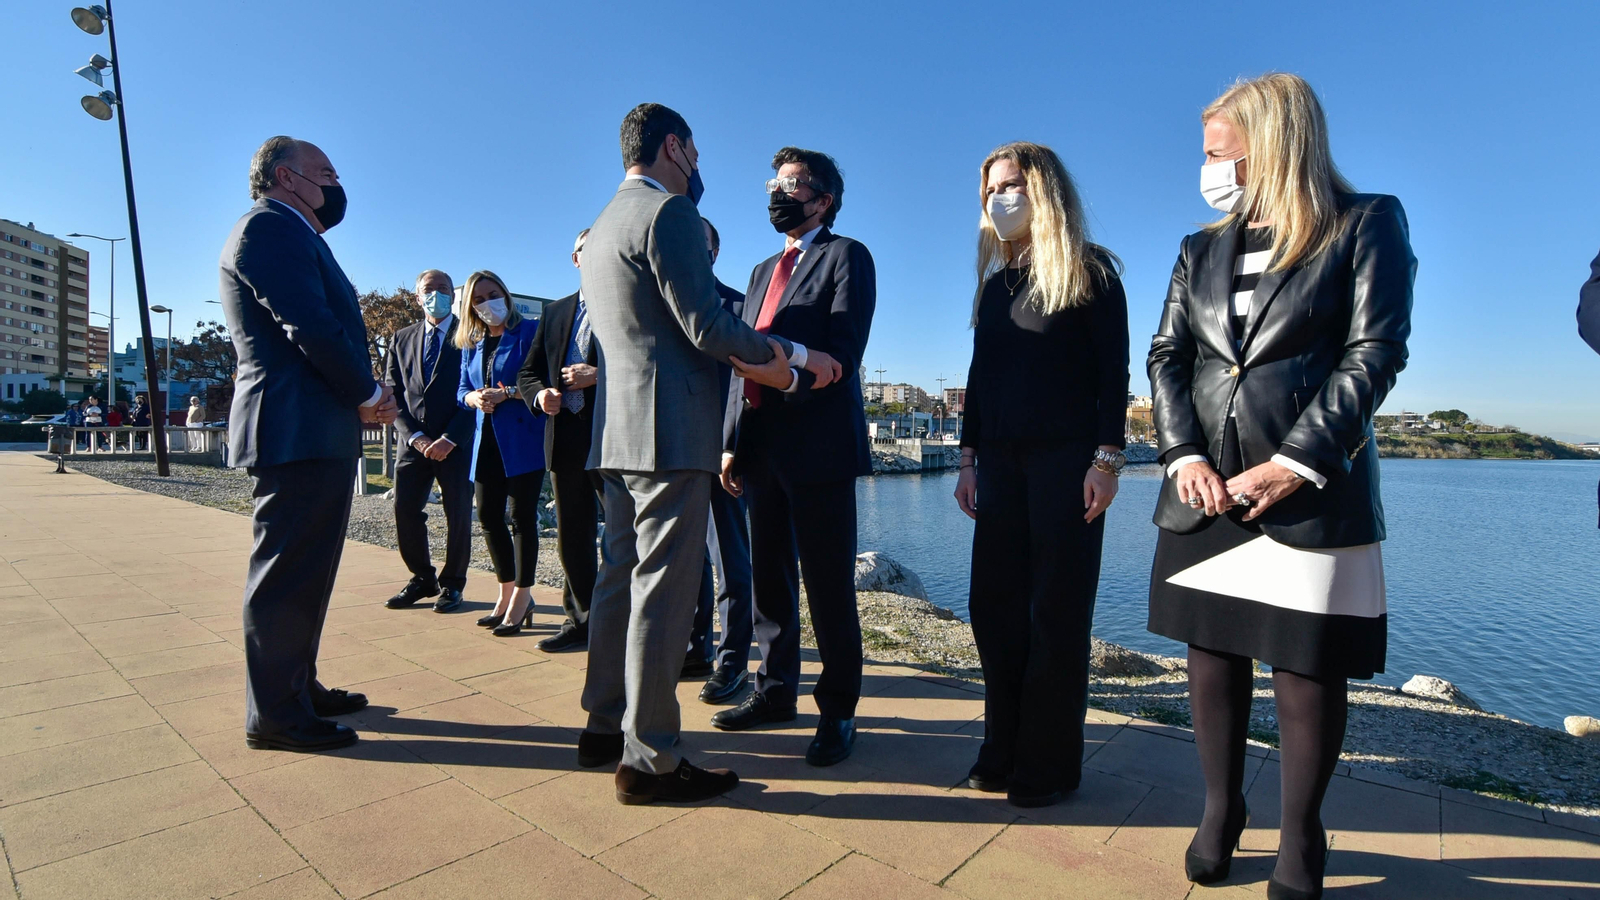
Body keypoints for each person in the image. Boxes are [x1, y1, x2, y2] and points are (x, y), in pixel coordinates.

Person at [1145, 74, 1414, 900]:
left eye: (1219, 152)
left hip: (1308, 483)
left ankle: (1302, 831)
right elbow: (1168, 357)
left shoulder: (1367, 222)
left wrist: (1296, 460)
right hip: (1206, 486)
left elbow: (1374, 351)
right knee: (1212, 655)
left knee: (1305, 669)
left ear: (1274, 143)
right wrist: (1181, 451)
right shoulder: (1199, 248)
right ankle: (1220, 811)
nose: (1209, 167)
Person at [579, 102, 841, 804]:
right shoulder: (669, 217)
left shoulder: (604, 222)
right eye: (694, 153)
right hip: (672, 433)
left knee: (617, 584)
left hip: (617, 434)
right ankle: (652, 760)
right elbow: (707, 325)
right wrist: (791, 356)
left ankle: (604, 724)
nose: (698, 167)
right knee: (661, 597)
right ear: (675, 146)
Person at [953, 141, 1129, 808]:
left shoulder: (1093, 273)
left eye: (1012, 185)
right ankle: (1001, 746)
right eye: (991, 190)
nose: (1000, 198)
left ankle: (1049, 763)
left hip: (1067, 464)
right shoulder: (995, 287)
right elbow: (979, 379)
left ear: (1045, 191)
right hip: (997, 465)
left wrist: (1107, 462)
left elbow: (1113, 374)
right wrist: (968, 461)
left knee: (1055, 615)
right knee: (992, 609)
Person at [222, 135, 398, 753]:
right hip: (293, 426)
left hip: (312, 427)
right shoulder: (268, 229)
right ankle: (275, 714)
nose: (334, 183)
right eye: (324, 172)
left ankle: (296, 686)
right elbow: (310, 327)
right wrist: (366, 391)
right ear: (284, 176)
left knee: (308, 572)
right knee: (286, 575)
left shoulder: (294, 232)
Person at [712, 147, 876, 769]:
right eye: (774, 184)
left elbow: (843, 351)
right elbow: (738, 363)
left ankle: (837, 710)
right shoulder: (758, 272)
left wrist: (790, 367)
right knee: (769, 581)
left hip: (820, 447)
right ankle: (775, 691)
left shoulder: (846, 256)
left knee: (829, 584)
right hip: (759, 446)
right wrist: (731, 442)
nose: (780, 194)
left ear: (824, 199)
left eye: (795, 185)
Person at [517, 229, 601, 653]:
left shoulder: (630, 304)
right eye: (589, 248)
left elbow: (650, 363)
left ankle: (629, 625)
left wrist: (598, 376)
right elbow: (528, 372)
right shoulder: (555, 313)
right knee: (573, 536)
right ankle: (583, 620)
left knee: (631, 535)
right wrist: (539, 395)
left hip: (614, 438)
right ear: (575, 258)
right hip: (565, 440)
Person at [689, 216, 757, 704]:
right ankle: (693, 647)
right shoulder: (655, 309)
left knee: (729, 562)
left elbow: (745, 387)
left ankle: (731, 659)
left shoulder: (738, 307)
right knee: (677, 562)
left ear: (713, 252)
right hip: (666, 457)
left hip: (720, 458)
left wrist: (731, 446)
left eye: (699, 240)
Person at [456, 270, 546, 637]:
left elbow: (541, 381)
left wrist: (506, 393)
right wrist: (473, 397)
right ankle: (505, 591)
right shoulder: (473, 343)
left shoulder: (530, 332)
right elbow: (462, 388)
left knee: (521, 518)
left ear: (505, 294)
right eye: (478, 299)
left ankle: (523, 596)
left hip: (523, 440)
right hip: (485, 441)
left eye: (492, 294)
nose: (486, 303)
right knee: (489, 517)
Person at [385, 269, 476, 613]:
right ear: (417, 296)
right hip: (413, 445)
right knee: (405, 510)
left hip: (457, 443)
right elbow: (392, 394)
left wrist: (450, 438)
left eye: (442, 288)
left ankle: (453, 584)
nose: (435, 294)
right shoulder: (401, 338)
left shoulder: (471, 335)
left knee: (458, 516)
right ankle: (423, 578)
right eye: (429, 288)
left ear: (453, 296)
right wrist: (417, 437)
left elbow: (477, 391)